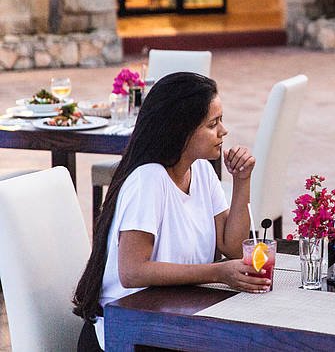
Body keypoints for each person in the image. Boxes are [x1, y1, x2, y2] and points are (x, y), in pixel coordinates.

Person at [73, 72, 270, 351]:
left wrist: (241, 181)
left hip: (172, 320)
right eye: (213, 124)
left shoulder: (200, 170)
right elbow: (132, 272)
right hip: (128, 332)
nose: (223, 131)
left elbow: (234, 248)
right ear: (181, 130)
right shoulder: (149, 179)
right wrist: (218, 273)